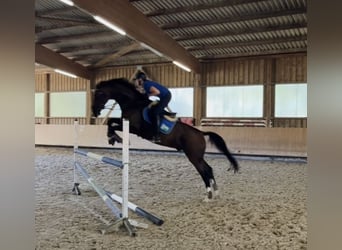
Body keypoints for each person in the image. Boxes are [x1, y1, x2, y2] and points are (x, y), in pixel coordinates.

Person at [134, 71, 171, 143]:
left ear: (140, 80)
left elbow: (157, 92)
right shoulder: (146, 84)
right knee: (152, 109)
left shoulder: (146, 84)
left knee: (155, 113)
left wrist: (148, 95)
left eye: (137, 80)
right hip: (164, 96)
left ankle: (157, 136)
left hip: (166, 96)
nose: (137, 82)